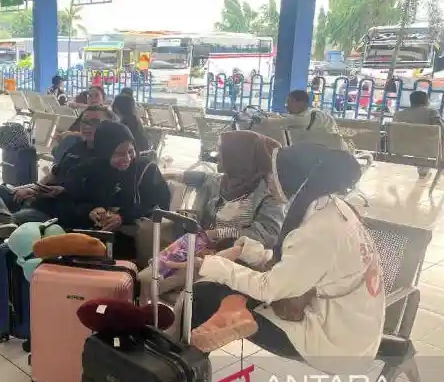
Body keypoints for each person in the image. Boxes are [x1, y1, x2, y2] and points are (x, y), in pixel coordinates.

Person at [189, 144, 384, 375]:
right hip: (349, 324)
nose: (270, 180)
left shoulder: (319, 231)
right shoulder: (331, 207)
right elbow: (298, 264)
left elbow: (269, 288)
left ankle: (187, 368)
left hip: (334, 344)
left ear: (295, 180)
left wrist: (212, 263)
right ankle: (231, 313)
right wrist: (246, 251)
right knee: (230, 276)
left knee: (204, 296)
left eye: (275, 174)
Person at [0, 105, 117, 315]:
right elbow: (52, 176)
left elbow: (92, 198)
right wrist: (31, 188)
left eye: (96, 122)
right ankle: (0, 215)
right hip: (38, 197)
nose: (88, 126)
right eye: (85, 121)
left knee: (4, 227)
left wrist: (58, 193)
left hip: (52, 213)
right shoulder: (76, 148)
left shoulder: (110, 158)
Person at [137, 130, 284, 297]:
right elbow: (202, 177)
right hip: (204, 244)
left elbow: (267, 235)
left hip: (234, 257)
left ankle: (158, 300)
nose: (216, 154)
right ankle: (149, 294)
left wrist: (219, 234)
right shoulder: (222, 181)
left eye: (221, 150)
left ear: (236, 157)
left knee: (161, 281)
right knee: (149, 274)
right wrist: (171, 174)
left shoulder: (270, 194)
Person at [55, 121, 170, 259]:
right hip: (92, 235)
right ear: (104, 152)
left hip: (131, 241)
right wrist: (90, 211)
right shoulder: (88, 170)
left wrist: (122, 217)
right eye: (119, 154)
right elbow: (71, 201)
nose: (127, 158)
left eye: (131, 151)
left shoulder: (146, 170)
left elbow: (159, 204)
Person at [393, 90, 444, 178]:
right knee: (427, 142)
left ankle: (423, 171)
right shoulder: (432, 112)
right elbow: (441, 132)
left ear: (411, 101)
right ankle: (423, 171)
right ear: (426, 101)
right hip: (425, 150)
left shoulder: (398, 115)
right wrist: (443, 154)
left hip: (401, 148)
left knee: (417, 142)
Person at [266, 89, 340, 133]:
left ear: (301, 103)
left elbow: (289, 121)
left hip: (332, 151)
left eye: (289, 102)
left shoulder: (313, 116)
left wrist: (265, 119)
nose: (286, 106)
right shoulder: (307, 113)